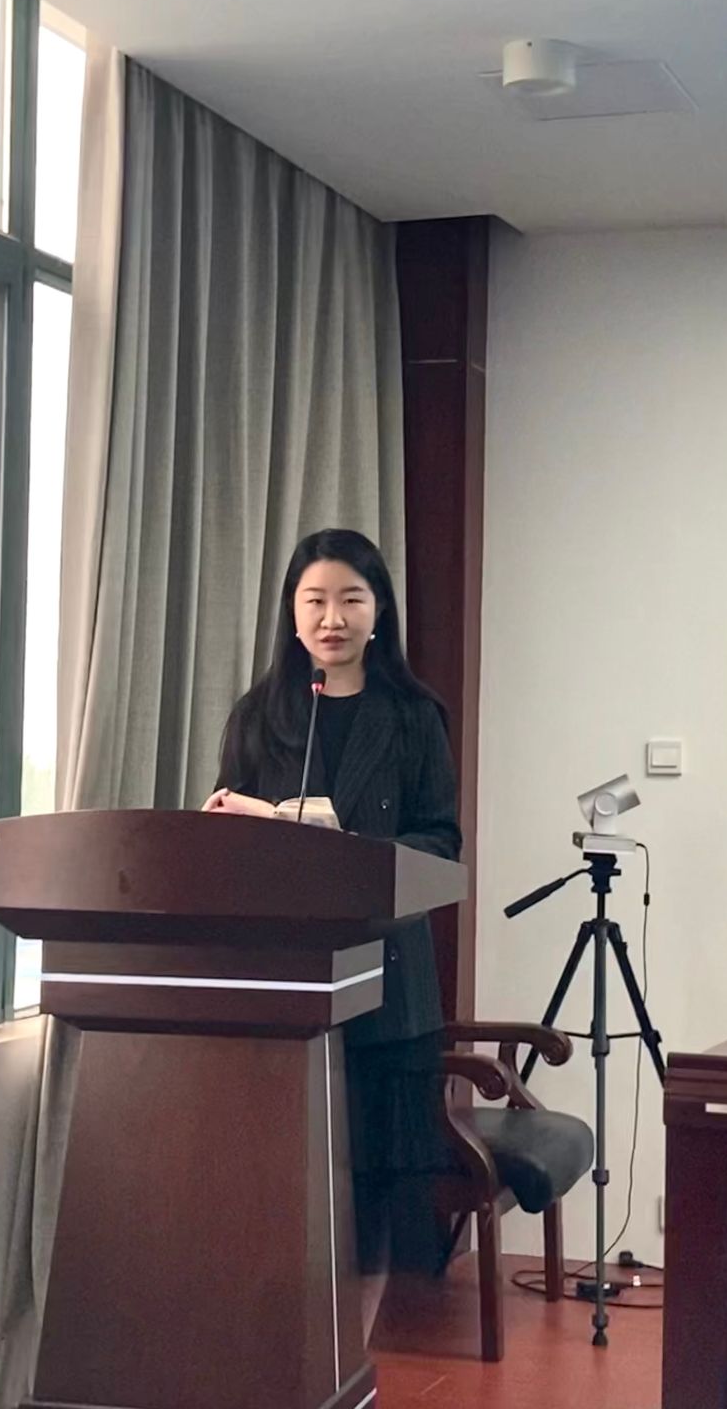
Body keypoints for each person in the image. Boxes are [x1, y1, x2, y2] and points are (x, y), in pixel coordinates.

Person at [201, 528, 460, 1330]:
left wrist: (351, 847)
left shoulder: (415, 717)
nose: (332, 617)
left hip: (388, 992)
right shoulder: (260, 716)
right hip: (284, 991)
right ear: (292, 612)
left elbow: (441, 844)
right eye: (314, 599)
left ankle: (354, 1351)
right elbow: (224, 847)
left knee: (373, 1195)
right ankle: (290, 1350)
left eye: (351, 598)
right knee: (281, 1186)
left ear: (379, 611)